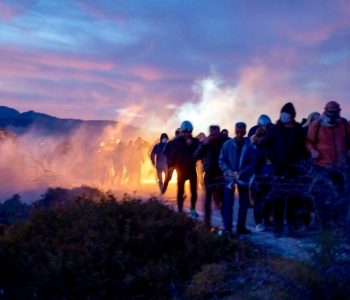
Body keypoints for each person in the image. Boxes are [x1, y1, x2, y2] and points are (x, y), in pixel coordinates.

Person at [265, 102, 307, 237]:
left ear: (292, 116)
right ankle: (278, 227)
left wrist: (301, 164)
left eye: (286, 114)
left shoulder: (299, 129)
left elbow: (302, 148)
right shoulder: (275, 129)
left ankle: (292, 226)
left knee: (294, 199)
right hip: (278, 170)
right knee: (278, 199)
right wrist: (273, 160)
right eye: (282, 114)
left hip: (294, 170)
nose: (283, 116)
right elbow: (267, 146)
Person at [306, 101, 350, 227]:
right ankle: (323, 223)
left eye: (336, 112)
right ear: (325, 111)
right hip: (322, 166)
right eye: (331, 112)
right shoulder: (317, 125)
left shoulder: (344, 124)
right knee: (322, 195)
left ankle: (338, 224)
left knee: (340, 196)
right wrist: (312, 150)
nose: (333, 115)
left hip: (340, 167)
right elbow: (308, 142)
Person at [219, 122, 256, 235]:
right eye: (238, 131)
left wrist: (243, 172)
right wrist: (228, 171)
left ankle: (241, 227)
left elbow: (253, 162)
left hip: (243, 178)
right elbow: (221, 160)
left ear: (245, 131)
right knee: (228, 203)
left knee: (243, 204)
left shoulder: (249, 145)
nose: (240, 134)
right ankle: (228, 227)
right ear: (235, 131)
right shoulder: (227, 144)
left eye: (242, 131)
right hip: (229, 178)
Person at [194, 125, 226, 228]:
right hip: (209, 175)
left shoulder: (224, 142)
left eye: (216, 132)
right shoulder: (206, 142)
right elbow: (195, 156)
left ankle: (226, 224)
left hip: (222, 174)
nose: (214, 135)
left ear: (219, 132)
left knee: (224, 200)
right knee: (208, 199)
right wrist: (203, 144)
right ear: (210, 133)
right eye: (212, 133)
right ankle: (207, 222)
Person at [165, 121, 200, 217]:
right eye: (185, 132)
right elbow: (167, 152)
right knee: (180, 191)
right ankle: (180, 210)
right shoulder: (175, 142)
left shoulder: (195, 141)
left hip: (192, 168)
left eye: (189, 132)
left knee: (194, 191)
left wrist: (193, 145)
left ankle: (193, 209)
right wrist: (171, 164)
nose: (187, 134)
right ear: (182, 131)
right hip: (180, 169)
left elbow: (201, 152)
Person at [162, 128, 181, 193]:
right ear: (177, 134)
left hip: (179, 164)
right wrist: (169, 158)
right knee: (168, 177)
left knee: (180, 178)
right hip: (172, 164)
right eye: (180, 134)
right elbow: (165, 151)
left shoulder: (182, 142)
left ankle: (181, 193)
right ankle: (163, 190)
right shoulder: (171, 142)